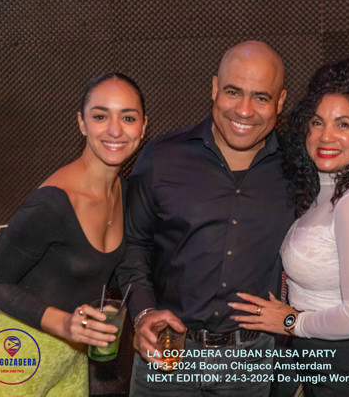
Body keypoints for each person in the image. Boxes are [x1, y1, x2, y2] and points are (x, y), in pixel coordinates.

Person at [115, 40, 294, 396]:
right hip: (166, 351)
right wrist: (143, 313)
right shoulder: (162, 158)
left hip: (249, 363)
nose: (244, 110)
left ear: (280, 101)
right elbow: (134, 244)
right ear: (214, 88)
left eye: (261, 97)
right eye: (233, 92)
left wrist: (296, 319)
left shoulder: (298, 169)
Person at [0, 72, 148, 396]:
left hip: (70, 362)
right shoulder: (52, 203)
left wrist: (149, 313)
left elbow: (128, 268)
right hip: (10, 365)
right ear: (82, 123)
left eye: (128, 118)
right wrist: (65, 323)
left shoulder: (124, 190)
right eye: (100, 116)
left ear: (143, 127)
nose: (115, 130)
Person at [230, 59, 349, 396]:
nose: (326, 135)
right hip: (321, 360)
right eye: (317, 122)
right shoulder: (324, 191)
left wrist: (290, 321)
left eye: (343, 124)